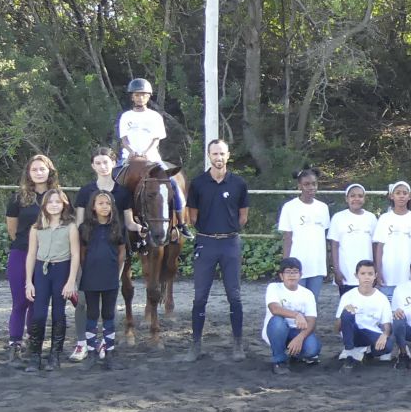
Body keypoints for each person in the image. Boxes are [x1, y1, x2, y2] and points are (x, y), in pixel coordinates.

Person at [182, 139, 250, 362]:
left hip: (230, 243)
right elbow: (192, 216)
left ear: (228, 155)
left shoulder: (238, 183)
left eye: (222, 153)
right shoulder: (198, 183)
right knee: (200, 296)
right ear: (209, 156)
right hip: (206, 242)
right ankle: (196, 345)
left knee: (235, 296)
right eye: (214, 154)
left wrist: (229, 229)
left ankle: (238, 344)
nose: (218, 158)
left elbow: (243, 215)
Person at [70, 148, 137, 362]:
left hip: (112, 250)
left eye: (106, 162)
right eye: (98, 163)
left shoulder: (123, 192)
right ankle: (83, 343)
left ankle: (107, 345)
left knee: (109, 303)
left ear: (113, 163)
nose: (102, 166)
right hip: (88, 252)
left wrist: (142, 228)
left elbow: (128, 222)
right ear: (93, 166)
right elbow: (79, 224)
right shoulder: (85, 191)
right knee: (83, 303)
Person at [4, 153, 60, 365]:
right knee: (20, 301)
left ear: (49, 172)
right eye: (34, 169)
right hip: (21, 252)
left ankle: (32, 341)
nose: (38, 173)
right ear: (28, 173)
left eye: (42, 169)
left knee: (37, 302)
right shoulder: (18, 198)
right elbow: (12, 229)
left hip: (48, 256)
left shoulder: (57, 197)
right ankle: (15, 343)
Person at [23, 187, 79, 373]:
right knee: (38, 314)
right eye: (50, 202)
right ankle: (35, 354)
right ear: (44, 205)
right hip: (41, 271)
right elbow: (31, 254)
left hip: (61, 270)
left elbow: (75, 254)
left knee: (58, 313)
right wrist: (29, 282)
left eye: (58, 202)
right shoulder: (36, 228)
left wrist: (71, 281)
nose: (54, 205)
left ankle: (54, 355)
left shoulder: (70, 227)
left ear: (64, 204)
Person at [115, 79, 183, 219]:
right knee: (113, 181)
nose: (140, 98)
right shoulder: (126, 116)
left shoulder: (155, 116)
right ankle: (114, 219)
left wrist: (145, 153)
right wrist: (132, 152)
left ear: (148, 96)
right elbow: (124, 139)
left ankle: (181, 221)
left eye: (144, 95)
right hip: (129, 157)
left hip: (151, 158)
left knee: (173, 183)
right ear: (132, 97)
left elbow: (156, 139)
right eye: (137, 95)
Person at [77, 189, 127, 369]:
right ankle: (91, 352)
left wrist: (114, 268)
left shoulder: (118, 227)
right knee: (91, 315)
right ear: (93, 206)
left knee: (108, 315)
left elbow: (122, 251)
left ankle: (110, 353)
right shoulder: (85, 228)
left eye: (108, 203)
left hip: (110, 277)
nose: (104, 207)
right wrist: (88, 269)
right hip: (90, 277)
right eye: (100, 203)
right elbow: (81, 254)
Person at [277, 167, 331, 299]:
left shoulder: (323, 208)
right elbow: (287, 238)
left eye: (314, 184)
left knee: (312, 302)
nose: (311, 187)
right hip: (296, 265)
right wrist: (286, 265)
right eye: (307, 184)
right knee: (295, 302)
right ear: (299, 185)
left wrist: (327, 263)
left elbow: (323, 237)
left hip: (317, 265)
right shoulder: (289, 207)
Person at [264, 257, 321, 376]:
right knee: (278, 322)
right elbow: (274, 309)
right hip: (277, 330)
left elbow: (311, 320)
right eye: (288, 272)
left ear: (300, 275)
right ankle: (279, 361)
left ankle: (294, 353)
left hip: (297, 331)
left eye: (295, 272)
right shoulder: (274, 287)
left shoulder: (307, 293)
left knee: (312, 350)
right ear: (281, 275)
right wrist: (297, 315)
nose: (292, 275)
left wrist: (300, 337)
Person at [335, 260, 393, 368]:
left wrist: (384, 335)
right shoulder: (347, 296)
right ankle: (349, 352)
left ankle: (368, 351)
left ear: (375, 276)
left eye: (370, 274)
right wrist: (344, 314)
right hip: (354, 332)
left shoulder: (382, 298)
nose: (366, 277)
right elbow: (337, 328)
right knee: (347, 313)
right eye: (362, 274)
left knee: (388, 345)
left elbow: (387, 324)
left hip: (371, 332)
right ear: (356, 275)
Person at [374, 182, 411, 298]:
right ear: (391, 196)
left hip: (407, 274)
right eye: (398, 193)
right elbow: (379, 247)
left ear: (409, 196)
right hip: (388, 274)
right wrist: (378, 271)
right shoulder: (384, 219)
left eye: (405, 193)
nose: (401, 196)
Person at [327, 184, 376, 296]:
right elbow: (334, 245)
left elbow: (375, 246)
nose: (356, 199)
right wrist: (336, 270)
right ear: (346, 198)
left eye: (360, 196)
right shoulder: (338, 217)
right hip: (346, 272)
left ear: (364, 198)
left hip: (367, 272)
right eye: (352, 196)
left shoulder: (371, 218)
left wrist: (375, 269)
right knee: (348, 309)